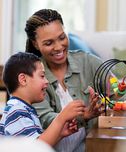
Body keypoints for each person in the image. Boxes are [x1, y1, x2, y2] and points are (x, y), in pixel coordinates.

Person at [25, 9, 103, 152]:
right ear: (35, 44)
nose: (59, 47)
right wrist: (83, 116)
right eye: (49, 43)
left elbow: (121, 89)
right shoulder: (32, 76)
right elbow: (46, 119)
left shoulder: (88, 62)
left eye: (62, 37)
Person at [0, 52, 87, 148]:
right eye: (42, 76)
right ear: (23, 79)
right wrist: (61, 118)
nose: (47, 81)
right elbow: (35, 148)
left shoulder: (23, 109)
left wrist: (60, 134)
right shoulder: (17, 111)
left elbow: (40, 142)